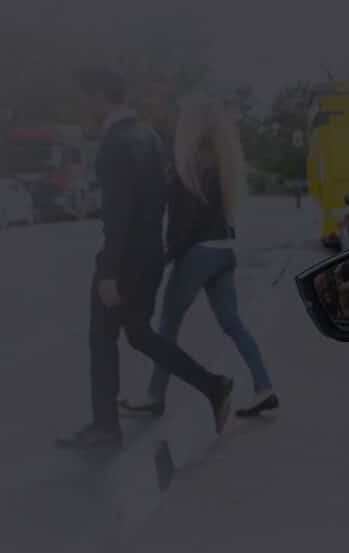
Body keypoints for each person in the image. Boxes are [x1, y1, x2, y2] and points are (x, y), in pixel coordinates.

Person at [56, 68, 234, 450]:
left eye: (89, 98)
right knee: (139, 333)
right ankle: (213, 386)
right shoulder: (150, 137)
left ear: (101, 96)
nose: (88, 106)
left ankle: (105, 426)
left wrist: (109, 271)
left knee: (102, 338)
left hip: (123, 260)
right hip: (150, 256)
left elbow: (118, 214)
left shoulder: (115, 143)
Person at [117, 95, 278, 419]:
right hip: (224, 250)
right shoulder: (223, 162)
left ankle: (155, 396)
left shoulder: (189, 163)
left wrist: (165, 257)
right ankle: (265, 387)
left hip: (198, 254)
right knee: (232, 324)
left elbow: (184, 224)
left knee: (167, 325)